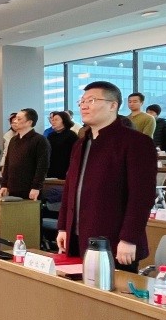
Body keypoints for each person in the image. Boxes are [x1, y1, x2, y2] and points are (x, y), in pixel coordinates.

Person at [56, 81, 157, 269]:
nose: (84, 106)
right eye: (82, 101)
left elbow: (142, 196)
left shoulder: (136, 142)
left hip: (115, 239)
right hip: (77, 236)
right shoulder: (80, 143)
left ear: (113, 105)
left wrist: (129, 238)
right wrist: (63, 226)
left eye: (92, 100)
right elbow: (70, 188)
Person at [0, 108, 50, 200]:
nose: (15, 121)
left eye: (19, 119)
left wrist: (36, 187)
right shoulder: (13, 140)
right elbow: (8, 163)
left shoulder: (40, 140)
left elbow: (42, 166)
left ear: (29, 122)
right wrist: (4, 185)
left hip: (29, 188)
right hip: (13, 187)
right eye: (15, 119)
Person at [46, 111, 77, 179]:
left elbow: (74, 155)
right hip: (51, 169)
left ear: (64, 121)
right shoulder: (51, 135)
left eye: (56, 120)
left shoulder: (71, 135)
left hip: (65, 170)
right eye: (52, 120)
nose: (53, 122)